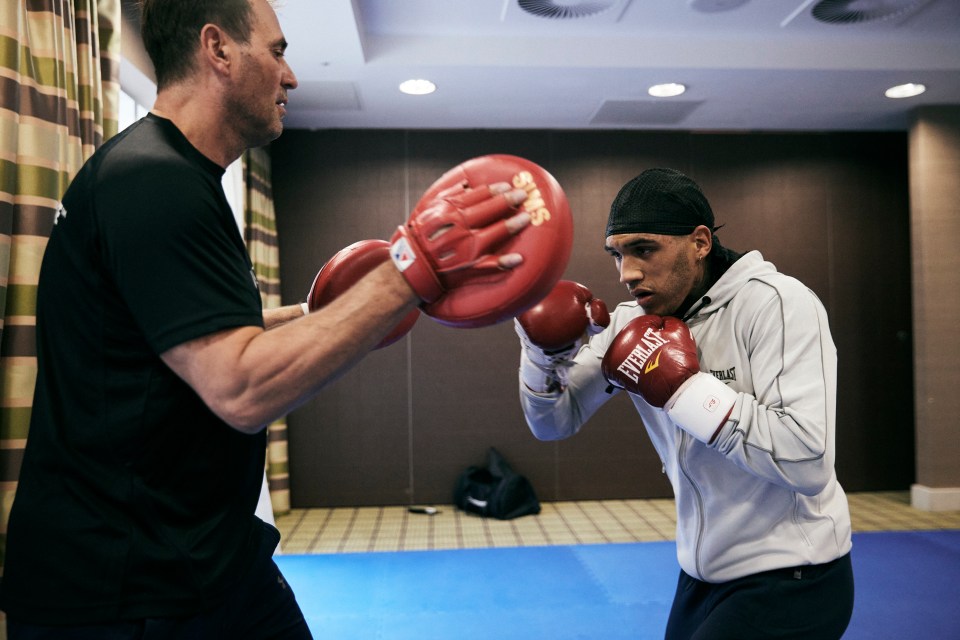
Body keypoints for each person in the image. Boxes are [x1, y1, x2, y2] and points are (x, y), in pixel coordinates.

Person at [0, 0, 531, 637]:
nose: (292, 76)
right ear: (218, 49)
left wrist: (331, 314)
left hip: (202, 554)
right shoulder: (152, 183)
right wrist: (407, 273)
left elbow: (196, 341)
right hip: (128, 585)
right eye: (277, 51)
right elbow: (239, 386)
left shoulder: (175, 177)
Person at [515, 168, 854, 639]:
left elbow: (808, 460)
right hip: (700, 573)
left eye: (644, 249)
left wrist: (685, 390)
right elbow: (554, 422)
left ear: (699, 242)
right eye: (617, 254)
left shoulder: (778, 305)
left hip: (794, 575)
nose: (626, 273)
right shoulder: (632, 322)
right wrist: (540, 355)